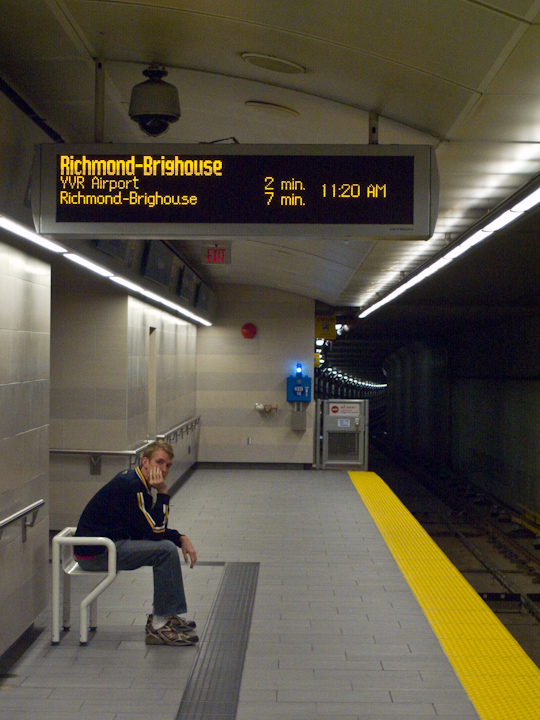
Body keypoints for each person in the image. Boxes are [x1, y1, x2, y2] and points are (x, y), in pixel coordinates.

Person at [74, 439, 198, 646]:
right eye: (159, 462)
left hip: (106, 545)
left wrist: (180, 537)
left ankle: (166, 615)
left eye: (168, 465)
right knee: (165, 551)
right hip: (96, 553)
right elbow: (156, 532)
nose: (164, 469)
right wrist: (164, 494)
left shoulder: (137, 483)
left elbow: (147, 529)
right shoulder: (133, 486)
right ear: (145, 462)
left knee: (166, 548)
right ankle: (160, 624)